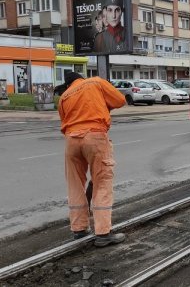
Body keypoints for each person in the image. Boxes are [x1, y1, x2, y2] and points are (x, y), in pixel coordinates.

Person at [58, 71, 127, 247]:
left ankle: (79, 229)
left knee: (75, 185)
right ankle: (103, 233)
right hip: (94, 135)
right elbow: (119, 100)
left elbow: (64, 120)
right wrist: (103, 106)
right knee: (102, 182)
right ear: (81, 78)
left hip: (71, 140)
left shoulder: (64, 96)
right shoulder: (95, 82)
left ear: (68, 85)